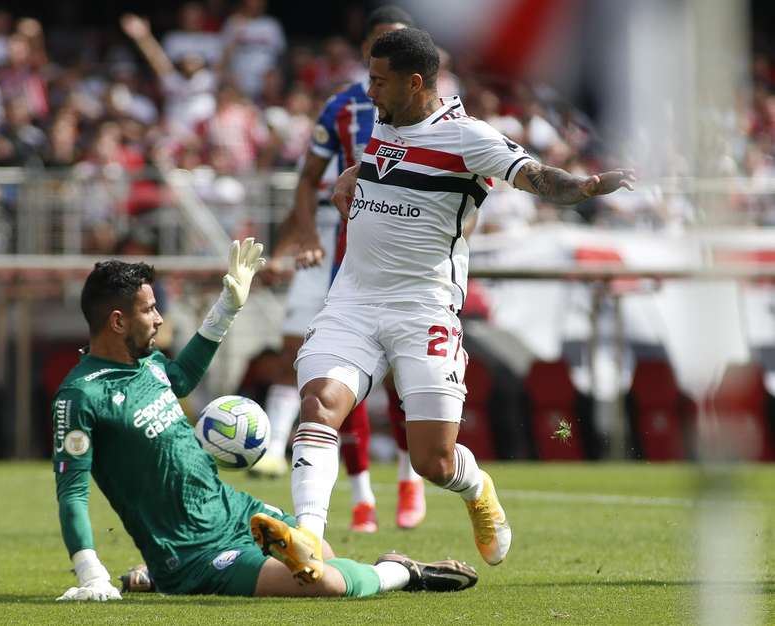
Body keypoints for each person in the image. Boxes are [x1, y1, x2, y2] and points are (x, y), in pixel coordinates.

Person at [269, 28, 636, 583]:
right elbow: (384, 166)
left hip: (424, 308)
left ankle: (477, 487)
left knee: (432, 461)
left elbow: (536, 176)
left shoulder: (468, 138)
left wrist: (582, 188)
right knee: (320, 405)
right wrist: (351, 174)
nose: (369, 90)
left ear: (416, 82)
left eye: (378, 80)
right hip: (354, 298)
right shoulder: (385, 121)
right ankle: (310, 541)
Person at [52, 238, 478, 600]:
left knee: (326, 558)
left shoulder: (148, 363)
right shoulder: (81, 396)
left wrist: (226, 307)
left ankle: (152, 574)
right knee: (322, 582)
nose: (160, 318)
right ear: (116, 321)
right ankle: (403, 572)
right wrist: (91, 573)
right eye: (149, 310)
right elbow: (71, 493)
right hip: (194, 555)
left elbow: (179, 377)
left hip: (237, 511)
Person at [254, 6, 428, 534]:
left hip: (414, 261)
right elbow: (308, 179)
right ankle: (361, 496)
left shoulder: (438, 110)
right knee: (337, 377)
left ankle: (409, 479)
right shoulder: (345, 108)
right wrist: (303, 234)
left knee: (403, 381)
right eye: (380, 45)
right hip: (352, 260)